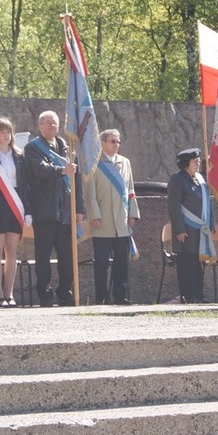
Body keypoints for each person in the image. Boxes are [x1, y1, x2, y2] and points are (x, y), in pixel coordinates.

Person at [25, 111, 84, 307]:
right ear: (40, 126)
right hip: (45, 210)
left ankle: (65, 291)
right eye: (48, 123)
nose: (52, 127)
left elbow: (77, 182)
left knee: (67, 256)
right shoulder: (33, 148)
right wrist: (61, 170)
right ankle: (45, 293)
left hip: (66, 212)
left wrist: (79, 209)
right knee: (43, 257)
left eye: (55, 123)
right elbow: (39, 170)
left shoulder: (68, 149)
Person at [0, 118, 33, 308]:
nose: (6, 135)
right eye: (2, 132)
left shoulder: (19, 156)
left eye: (8, 132)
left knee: (12, 249)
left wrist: (27, 210)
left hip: (15, 204)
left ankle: (9, 293)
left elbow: (25, 185)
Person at [83, 128, 140, 305]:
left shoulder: (125, 162)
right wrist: (94, 215)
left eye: (118, 141)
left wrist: (133, 214)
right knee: (101, 263)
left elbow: (130, 190)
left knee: (121, 262)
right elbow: (89, 193)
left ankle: (120, 296)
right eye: (112, 141)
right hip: (102, 221)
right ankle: (102, 297)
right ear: (103, 143)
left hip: (121, 222)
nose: (116, 145)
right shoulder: (93, 162)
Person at [167, 148, 212, 303]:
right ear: (186, 164)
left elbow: (207, 203)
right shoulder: (178, 179)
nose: (198, 163)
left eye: (199, 160)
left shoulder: (200, 179)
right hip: (186, 229)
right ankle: (188, 296)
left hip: (201, 230)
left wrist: (210, 225)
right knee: (187, 264)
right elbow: (174, 206)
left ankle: (198, 295)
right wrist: (179, 229)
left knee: (200, 264)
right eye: (195, 161)